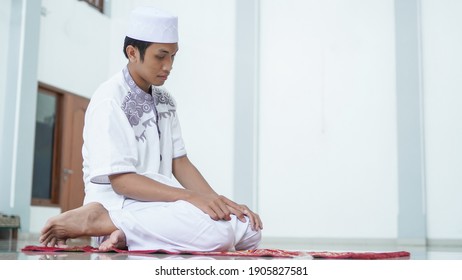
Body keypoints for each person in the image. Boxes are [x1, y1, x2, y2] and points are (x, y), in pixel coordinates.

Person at [39, 6, 262, 252]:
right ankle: (100, 221)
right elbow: (122, 183)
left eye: (173, 56)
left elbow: (180, 163)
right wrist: (191, 198)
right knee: (218, 234)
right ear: (133, 53)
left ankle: (125, 234)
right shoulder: (109, 99)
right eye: (161, 56)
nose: (168, 65)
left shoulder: (165, 99)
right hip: (121, 203)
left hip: (159, 204)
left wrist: (218, 202)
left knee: (248, 229)